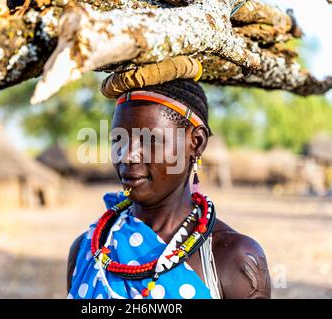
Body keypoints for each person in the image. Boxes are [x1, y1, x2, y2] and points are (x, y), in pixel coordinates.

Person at [67, 58, 270, 299]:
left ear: (196, 143)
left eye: (150, 140)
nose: (128, 155)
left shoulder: (232, 260)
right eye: (118, 139)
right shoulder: (87, 249)